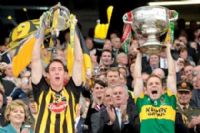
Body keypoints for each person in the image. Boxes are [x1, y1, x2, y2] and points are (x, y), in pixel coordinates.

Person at [31, 12, 83, 133]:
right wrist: (42, 28)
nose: (57, 72)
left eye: (60, 69)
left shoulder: (72, 90)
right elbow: (35, 59)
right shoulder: (41, 89)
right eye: (53, 70)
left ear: (65, 74)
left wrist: (73, 29)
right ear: (47, 75)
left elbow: (78, 60)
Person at [134, 43, 177, 133]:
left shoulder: (170, 99)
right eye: (150, 84)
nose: (154, 85)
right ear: (145, 89)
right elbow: (137, 77)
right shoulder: (141, 100)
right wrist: (139, 54)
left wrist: (167, 51)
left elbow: (172, 74)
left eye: (157, 83)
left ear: (163, 89)